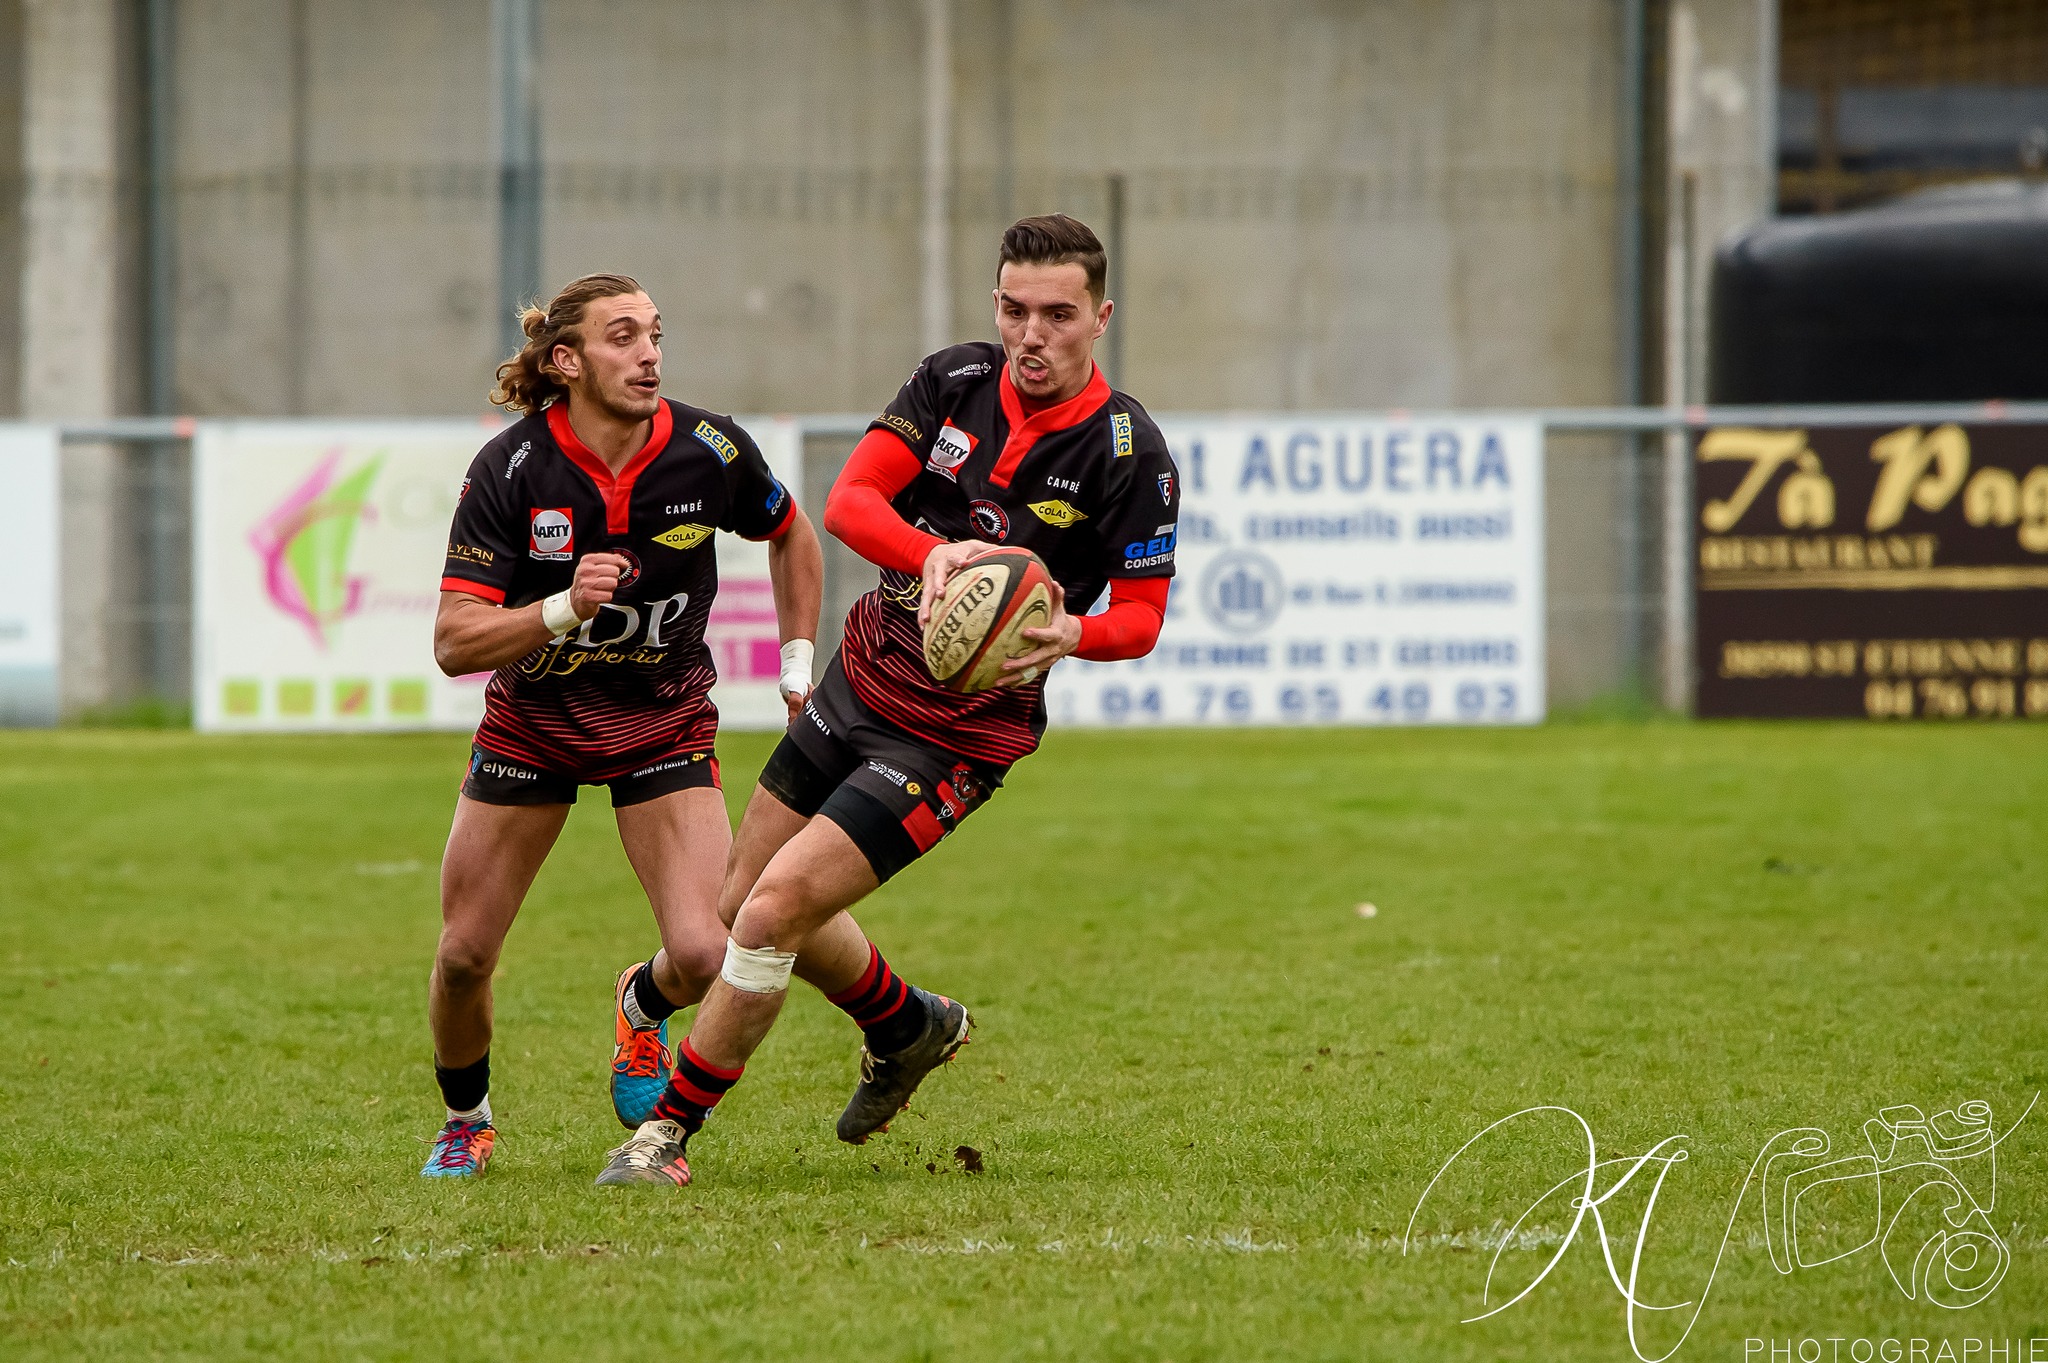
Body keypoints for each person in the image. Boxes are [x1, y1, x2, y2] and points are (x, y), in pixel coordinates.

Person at [596, 215, 1178, 1187]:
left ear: (1099, 318)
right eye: (1012, 309)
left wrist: (1074, 630)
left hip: (956, 734)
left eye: (1056, 315)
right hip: (860, 675)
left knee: (773, 908)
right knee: (739, 903)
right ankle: (906, 1024)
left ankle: (664, 1138)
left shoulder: (1130, 453)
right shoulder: (950, 382)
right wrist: (931, 552)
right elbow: (851, 502)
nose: (1029, 334)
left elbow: (1144, 618)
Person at [422, 272, 823, 1178]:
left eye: (655, 334)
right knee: (462, 955)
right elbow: (453, 642)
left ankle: (640, 1006)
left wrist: (796, 665)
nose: (649, 353)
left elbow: (792, 534)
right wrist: (561, 608)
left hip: (661, 722)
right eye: (622, 336)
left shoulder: (708, 448)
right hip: (534, 729)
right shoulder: (512, 470)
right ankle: (466, 1120)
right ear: (567, 361)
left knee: (703, 950)